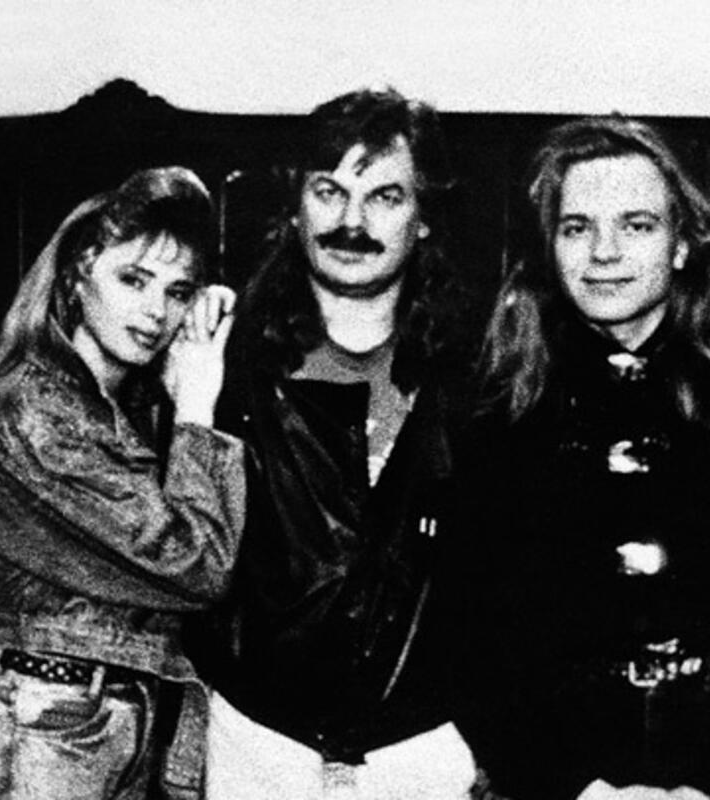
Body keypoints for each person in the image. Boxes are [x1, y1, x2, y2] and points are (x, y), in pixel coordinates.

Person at [447, 118, 710, 800]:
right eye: (576, 227)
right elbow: (469, 634)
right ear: (550, 247)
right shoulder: (499, 413)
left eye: (636, 225)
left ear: (682, 244)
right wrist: (562, 786)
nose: (603, 252)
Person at [200, 87, 477, 799]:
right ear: (295, 207)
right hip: (257, 744)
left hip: (421, 752)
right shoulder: (220, 362)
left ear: (424, 217)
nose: (352, 222)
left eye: (384, 197)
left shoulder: (479, 378)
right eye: (330, 191)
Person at [0, 166, 244, 800]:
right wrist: (196, 410)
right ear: (79, 275)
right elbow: (198, 566)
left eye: (179, 291)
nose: (157, 311)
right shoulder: (32, 412)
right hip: (49, 723)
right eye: (133, 279)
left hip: (98, 719)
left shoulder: (109, 409)